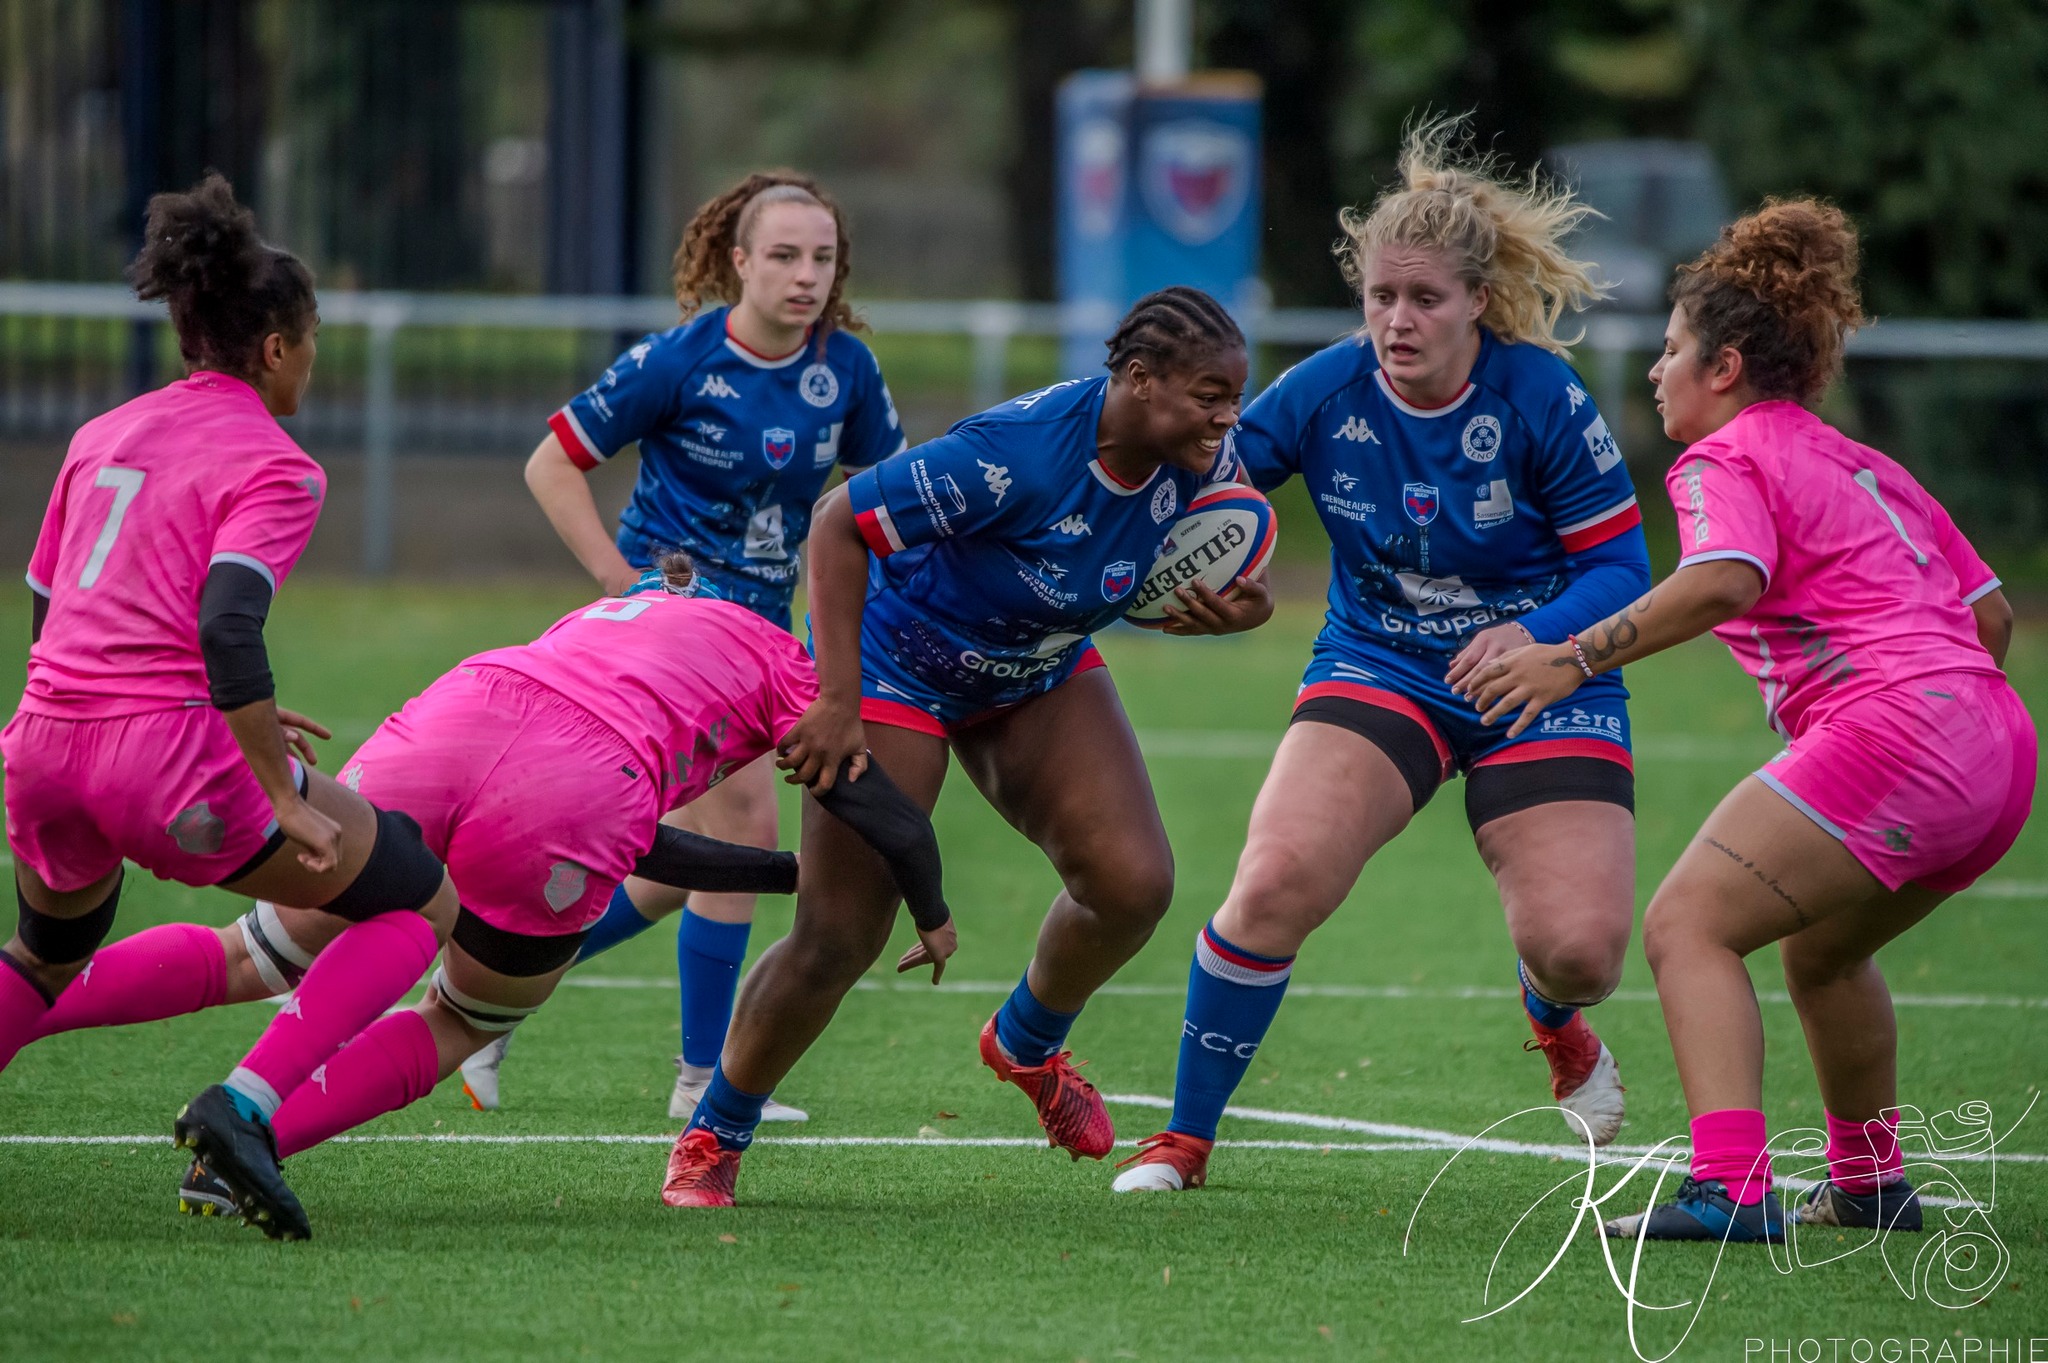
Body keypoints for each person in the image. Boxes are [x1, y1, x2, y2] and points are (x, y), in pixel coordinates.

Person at [1468, 199, 2033, 1243]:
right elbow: (1988, 614)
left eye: (1671, 349)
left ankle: (1728, 1188)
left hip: (1897, 731)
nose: (1653, 370)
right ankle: (1866, 1181)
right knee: (1817, 952)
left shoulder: (1719, 459)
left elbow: (1723, 578)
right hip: (1998, 744)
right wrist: (1935, 720)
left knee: (1686, 925)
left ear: (1721, 367)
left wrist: (1570, 655)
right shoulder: (1868, 463)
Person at [1111, 118, 1652, 1195]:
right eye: (1379, 297)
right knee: (1271, 883)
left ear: (1477, 303)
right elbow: (1200, 491)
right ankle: (1183, 1137)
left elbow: (1624, 571)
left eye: (1423, 299)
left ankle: (1552, 1018)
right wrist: (1191, 586)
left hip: (1536, 679)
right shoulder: (1322, 390)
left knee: (1580, 951)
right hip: (1381, 663)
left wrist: (1541, 636)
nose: (1396, 321)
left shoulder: (1540, 398)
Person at [656, 286, 1271, 1207]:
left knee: (1133, 882)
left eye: (1235, 397)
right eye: (1209, 396)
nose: (1228, 418)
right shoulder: (1016, 455)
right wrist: (835, 696)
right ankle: (714, 1132)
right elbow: (839, 523)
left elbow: (1219, 562)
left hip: (1035, 669)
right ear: (1138, 380)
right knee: (839, 932)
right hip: (901, 661)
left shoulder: (1202, 461)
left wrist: (1240, 610)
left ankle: (1024, 1041)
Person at [159, 556, 953, 1213]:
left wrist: (786, 873)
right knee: (462, 1015)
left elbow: (639, 844)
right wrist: (932, 913)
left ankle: (48, 991)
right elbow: (897, 823)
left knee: (258, 951)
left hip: (456, 712)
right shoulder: (792, 666)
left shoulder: (606, 618)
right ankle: (250, 1136)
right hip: (566, 796)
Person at [0, 174, 462, 1241]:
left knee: (42, 956)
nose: (314, 360)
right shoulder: (278, 464)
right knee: (415, 902)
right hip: (165, 763)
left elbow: (51, 601)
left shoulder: (101, 433)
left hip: (40, 741)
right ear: (271, 350)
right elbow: (224, 623)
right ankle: (246, 1108)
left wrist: (154, 711)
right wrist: (266, 784)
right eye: (309, 340)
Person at [494, 170, 905, 1121]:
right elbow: (550, 462)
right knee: (746, 833)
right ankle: (700, 1081)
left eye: (823, 258)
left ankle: (496, 982)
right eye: (784, 256)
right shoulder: (677, 360)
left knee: (689, 868)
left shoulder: (846, 370)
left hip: (765, 633)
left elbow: (883, 497)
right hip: (671, 624)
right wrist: (612, 577)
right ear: (738, 261)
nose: (806, 276)